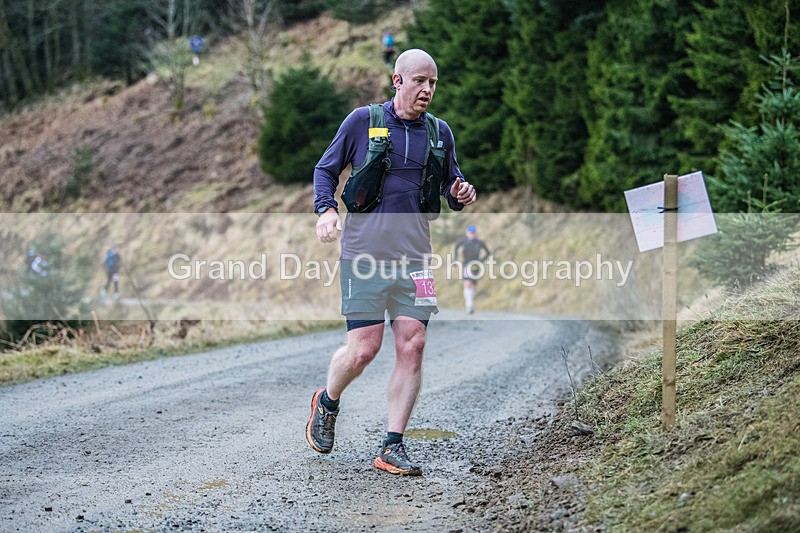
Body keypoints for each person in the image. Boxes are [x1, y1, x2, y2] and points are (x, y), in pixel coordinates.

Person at [309, 49, 477, 476]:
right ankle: (327, 402)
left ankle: (392, 444)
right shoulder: (362, 121)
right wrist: (326, 209)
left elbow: (450, 182)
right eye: (419, 80)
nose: (427, 90)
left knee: (414, 344)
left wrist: (460, 193)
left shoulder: (440, 132)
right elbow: (325, 170)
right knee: (363, 350)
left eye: (433, 83)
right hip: (364, 256)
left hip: (416, 258)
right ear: (397, 81)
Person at [453, 225, 492, 314]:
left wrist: (481, 261)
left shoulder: (479, 242)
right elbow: (456, 247)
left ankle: (471, 303)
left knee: (473, 286)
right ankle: (469, 305)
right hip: (466, 265)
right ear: (467, 233)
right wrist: (455, 259)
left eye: (473, 233)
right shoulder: (463, 241)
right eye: (470, 233)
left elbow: (488, 253)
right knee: (467, 283)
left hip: (476, 266)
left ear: (476, 234)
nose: (472, 235)